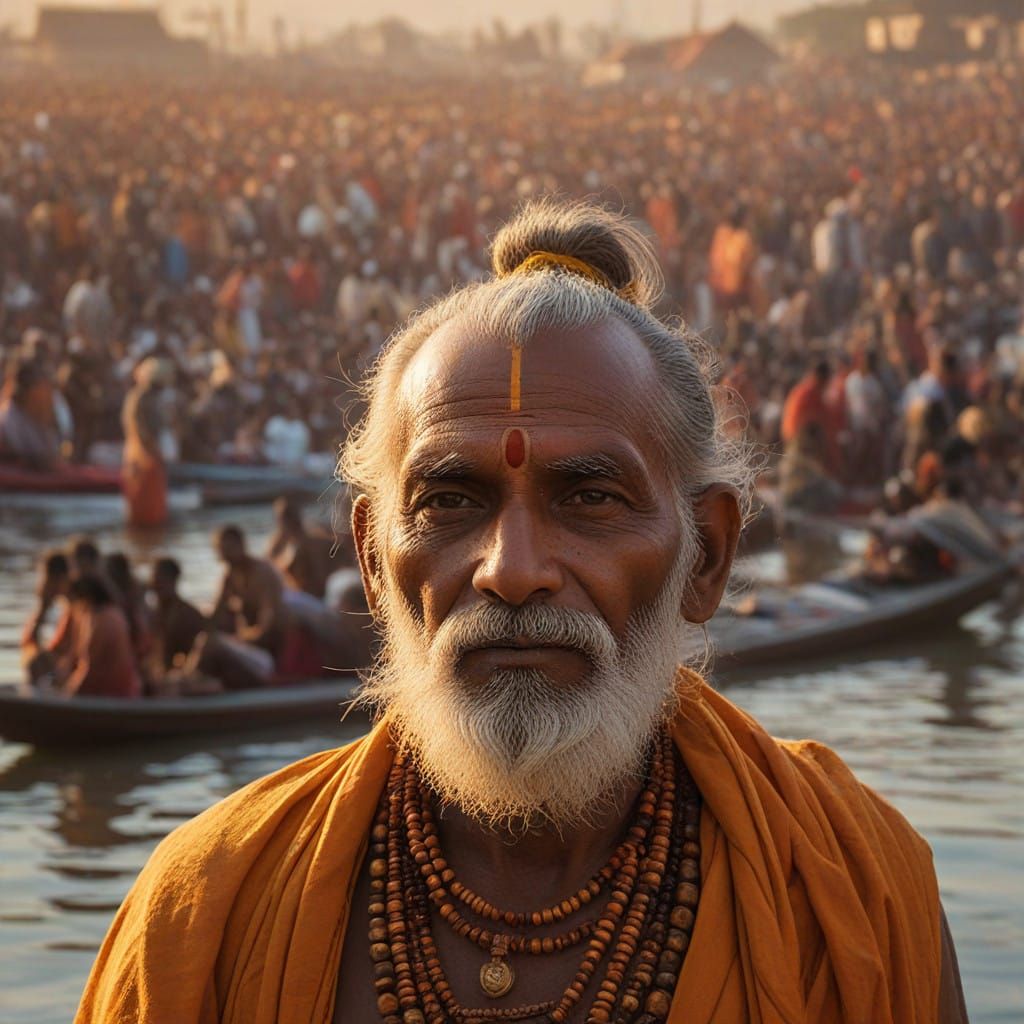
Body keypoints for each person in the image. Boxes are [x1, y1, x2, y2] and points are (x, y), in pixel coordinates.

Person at [76, 201, 966, 1024]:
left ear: (708, 555)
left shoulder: (854, 883)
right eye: (450, 501)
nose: (513, 570)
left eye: (589, 499)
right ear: (375, 563)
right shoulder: (205, 911)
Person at [57, 575, 142, 698]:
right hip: (127, 690)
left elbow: (88, 669)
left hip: (112, 696)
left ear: (86, 599)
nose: (73, 611)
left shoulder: (100, 622)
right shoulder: (114, 613)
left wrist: (66, 695)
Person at [121, 357, 173, 528]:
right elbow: (140, 430)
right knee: (144, 504)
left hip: (144, 456)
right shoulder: (141, 398)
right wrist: (153, 452)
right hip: (142, 457)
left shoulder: (146, 397)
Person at [148, 557, 206, 677]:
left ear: (172, 581)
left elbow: (168, 656)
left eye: (159, 580)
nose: (154, 584)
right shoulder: (160, 611)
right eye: (153, 580)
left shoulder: (183, 614)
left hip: (197, 672)